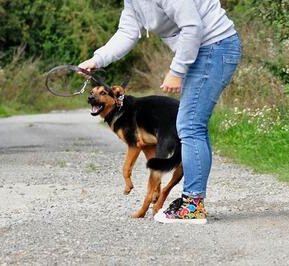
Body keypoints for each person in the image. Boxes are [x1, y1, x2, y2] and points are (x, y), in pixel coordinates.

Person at [79, 0, 242, 224]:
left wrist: (176, 70)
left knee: (190, 125)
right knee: (193, 125)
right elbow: (127, 31)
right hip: (204, 51)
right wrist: (97, 59)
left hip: (214, 47)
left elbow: (192, 26)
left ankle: (192, 206)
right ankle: (193, 202)